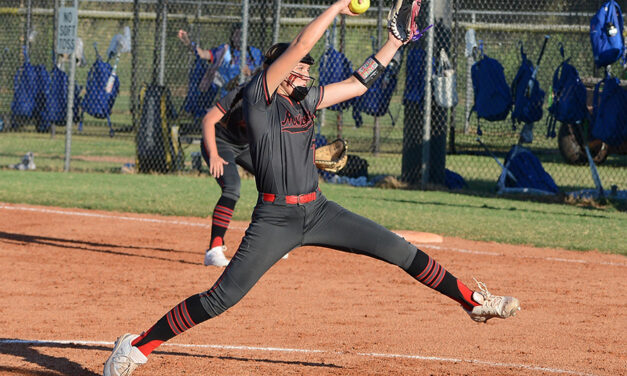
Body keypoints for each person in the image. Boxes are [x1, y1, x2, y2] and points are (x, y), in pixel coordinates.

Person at [104, 2, 520, 374]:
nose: (306, 72)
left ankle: (472, 301)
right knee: (219, 299)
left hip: (319, 211)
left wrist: (393, 43)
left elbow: (359, 83)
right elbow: (302, 44)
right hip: (276, 219)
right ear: (278, 74)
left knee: (399, 249)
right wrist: (338, 6)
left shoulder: (307, 100)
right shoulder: (258, 98)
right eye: (298, 69)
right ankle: (138, 346)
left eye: (306, 71)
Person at [198, 69, 288, 266]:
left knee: (277, 182)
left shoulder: (282, 101)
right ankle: (214, 249)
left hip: (247, 146)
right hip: (220, 142)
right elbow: (208, 120)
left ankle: (271, 242)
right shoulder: (242, 93)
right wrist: (213, 154)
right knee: (232, 187)